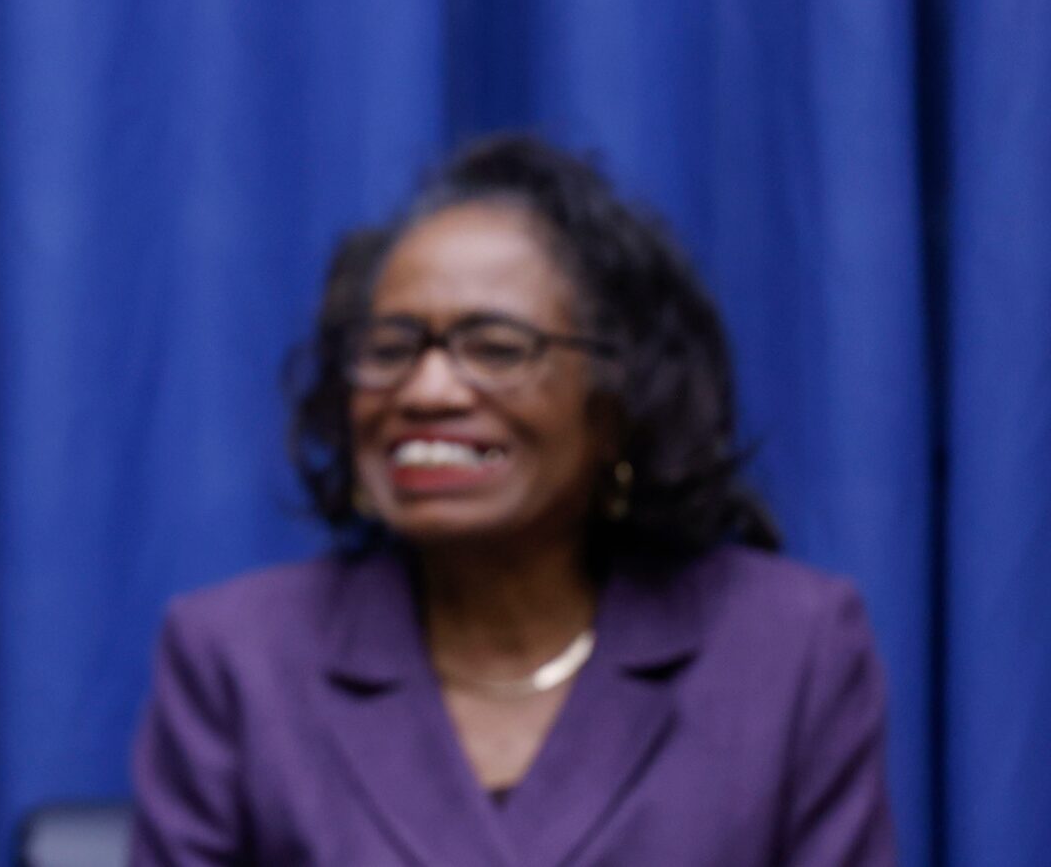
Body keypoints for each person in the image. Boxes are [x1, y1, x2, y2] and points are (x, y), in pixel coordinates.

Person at [130, 133, 896, 865]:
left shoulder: (788, 651)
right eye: (390, 349)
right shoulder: (238, 659)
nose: (427, 390)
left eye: (496, 349)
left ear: (620, 397)